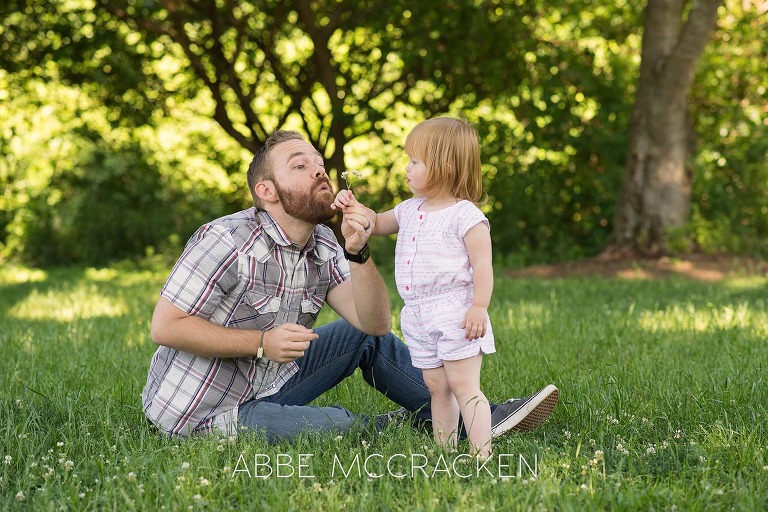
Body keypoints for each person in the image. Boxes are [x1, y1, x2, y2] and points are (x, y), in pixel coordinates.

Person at [142, 129, 558, 442]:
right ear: (266, 191)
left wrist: (358, 251)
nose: (319, 169)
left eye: (318, 161)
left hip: (270, 378)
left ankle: (470, 413)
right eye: (299, 165)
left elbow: (373, 325)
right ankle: (446, 425)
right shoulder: (226, 239)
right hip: (204, 410)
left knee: (362, 340)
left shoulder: (323, 241)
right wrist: (261, 343)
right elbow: (166, 327)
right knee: (339, 427)